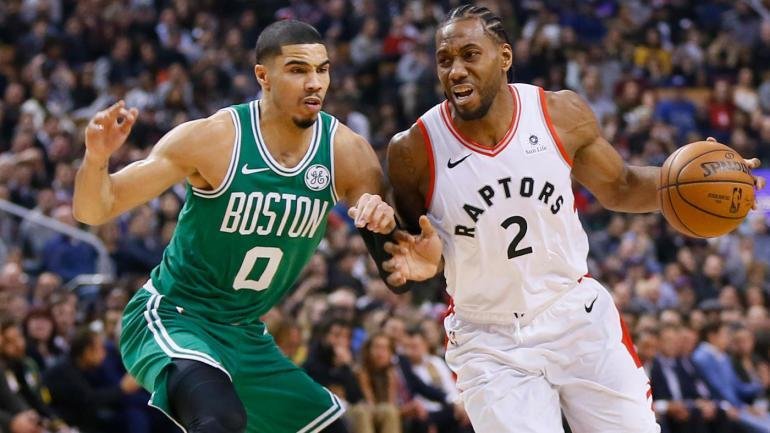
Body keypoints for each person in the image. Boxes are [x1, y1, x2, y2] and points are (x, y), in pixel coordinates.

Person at [380, 5, 766, 433]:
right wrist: (420, 266)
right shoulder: (413, 151)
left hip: (574, 314)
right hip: (488, 338)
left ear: (504, 57)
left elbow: (620, 186)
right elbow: (418, 254)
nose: (455, 70)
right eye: (444, 59)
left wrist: (704, 182)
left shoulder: (559, 114)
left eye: (470, 55)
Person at [72, 20, 397, 433]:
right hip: (174, 315)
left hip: (245, 335)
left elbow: (395, 258)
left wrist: (384, 218)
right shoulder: (215, 139)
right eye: (298, 69)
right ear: (263, 75)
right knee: (220, 420)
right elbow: (95, 210)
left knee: (335, 428)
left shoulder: (347, 152)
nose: (314, 82)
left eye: (323, 69)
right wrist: (96, 159)